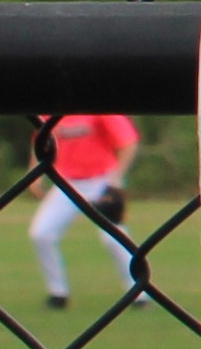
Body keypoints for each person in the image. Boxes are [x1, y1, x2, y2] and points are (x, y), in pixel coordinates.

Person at [31, 111, 141, 308]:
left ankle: (138, 292)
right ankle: (57, 293)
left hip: (101, 180)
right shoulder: (51, 114)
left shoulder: (99, 110)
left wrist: (116, 179)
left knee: (114, 238)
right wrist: (35, 173)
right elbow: (39, 141)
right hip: (66, 183)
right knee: (41, 234)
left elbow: (128, 143)